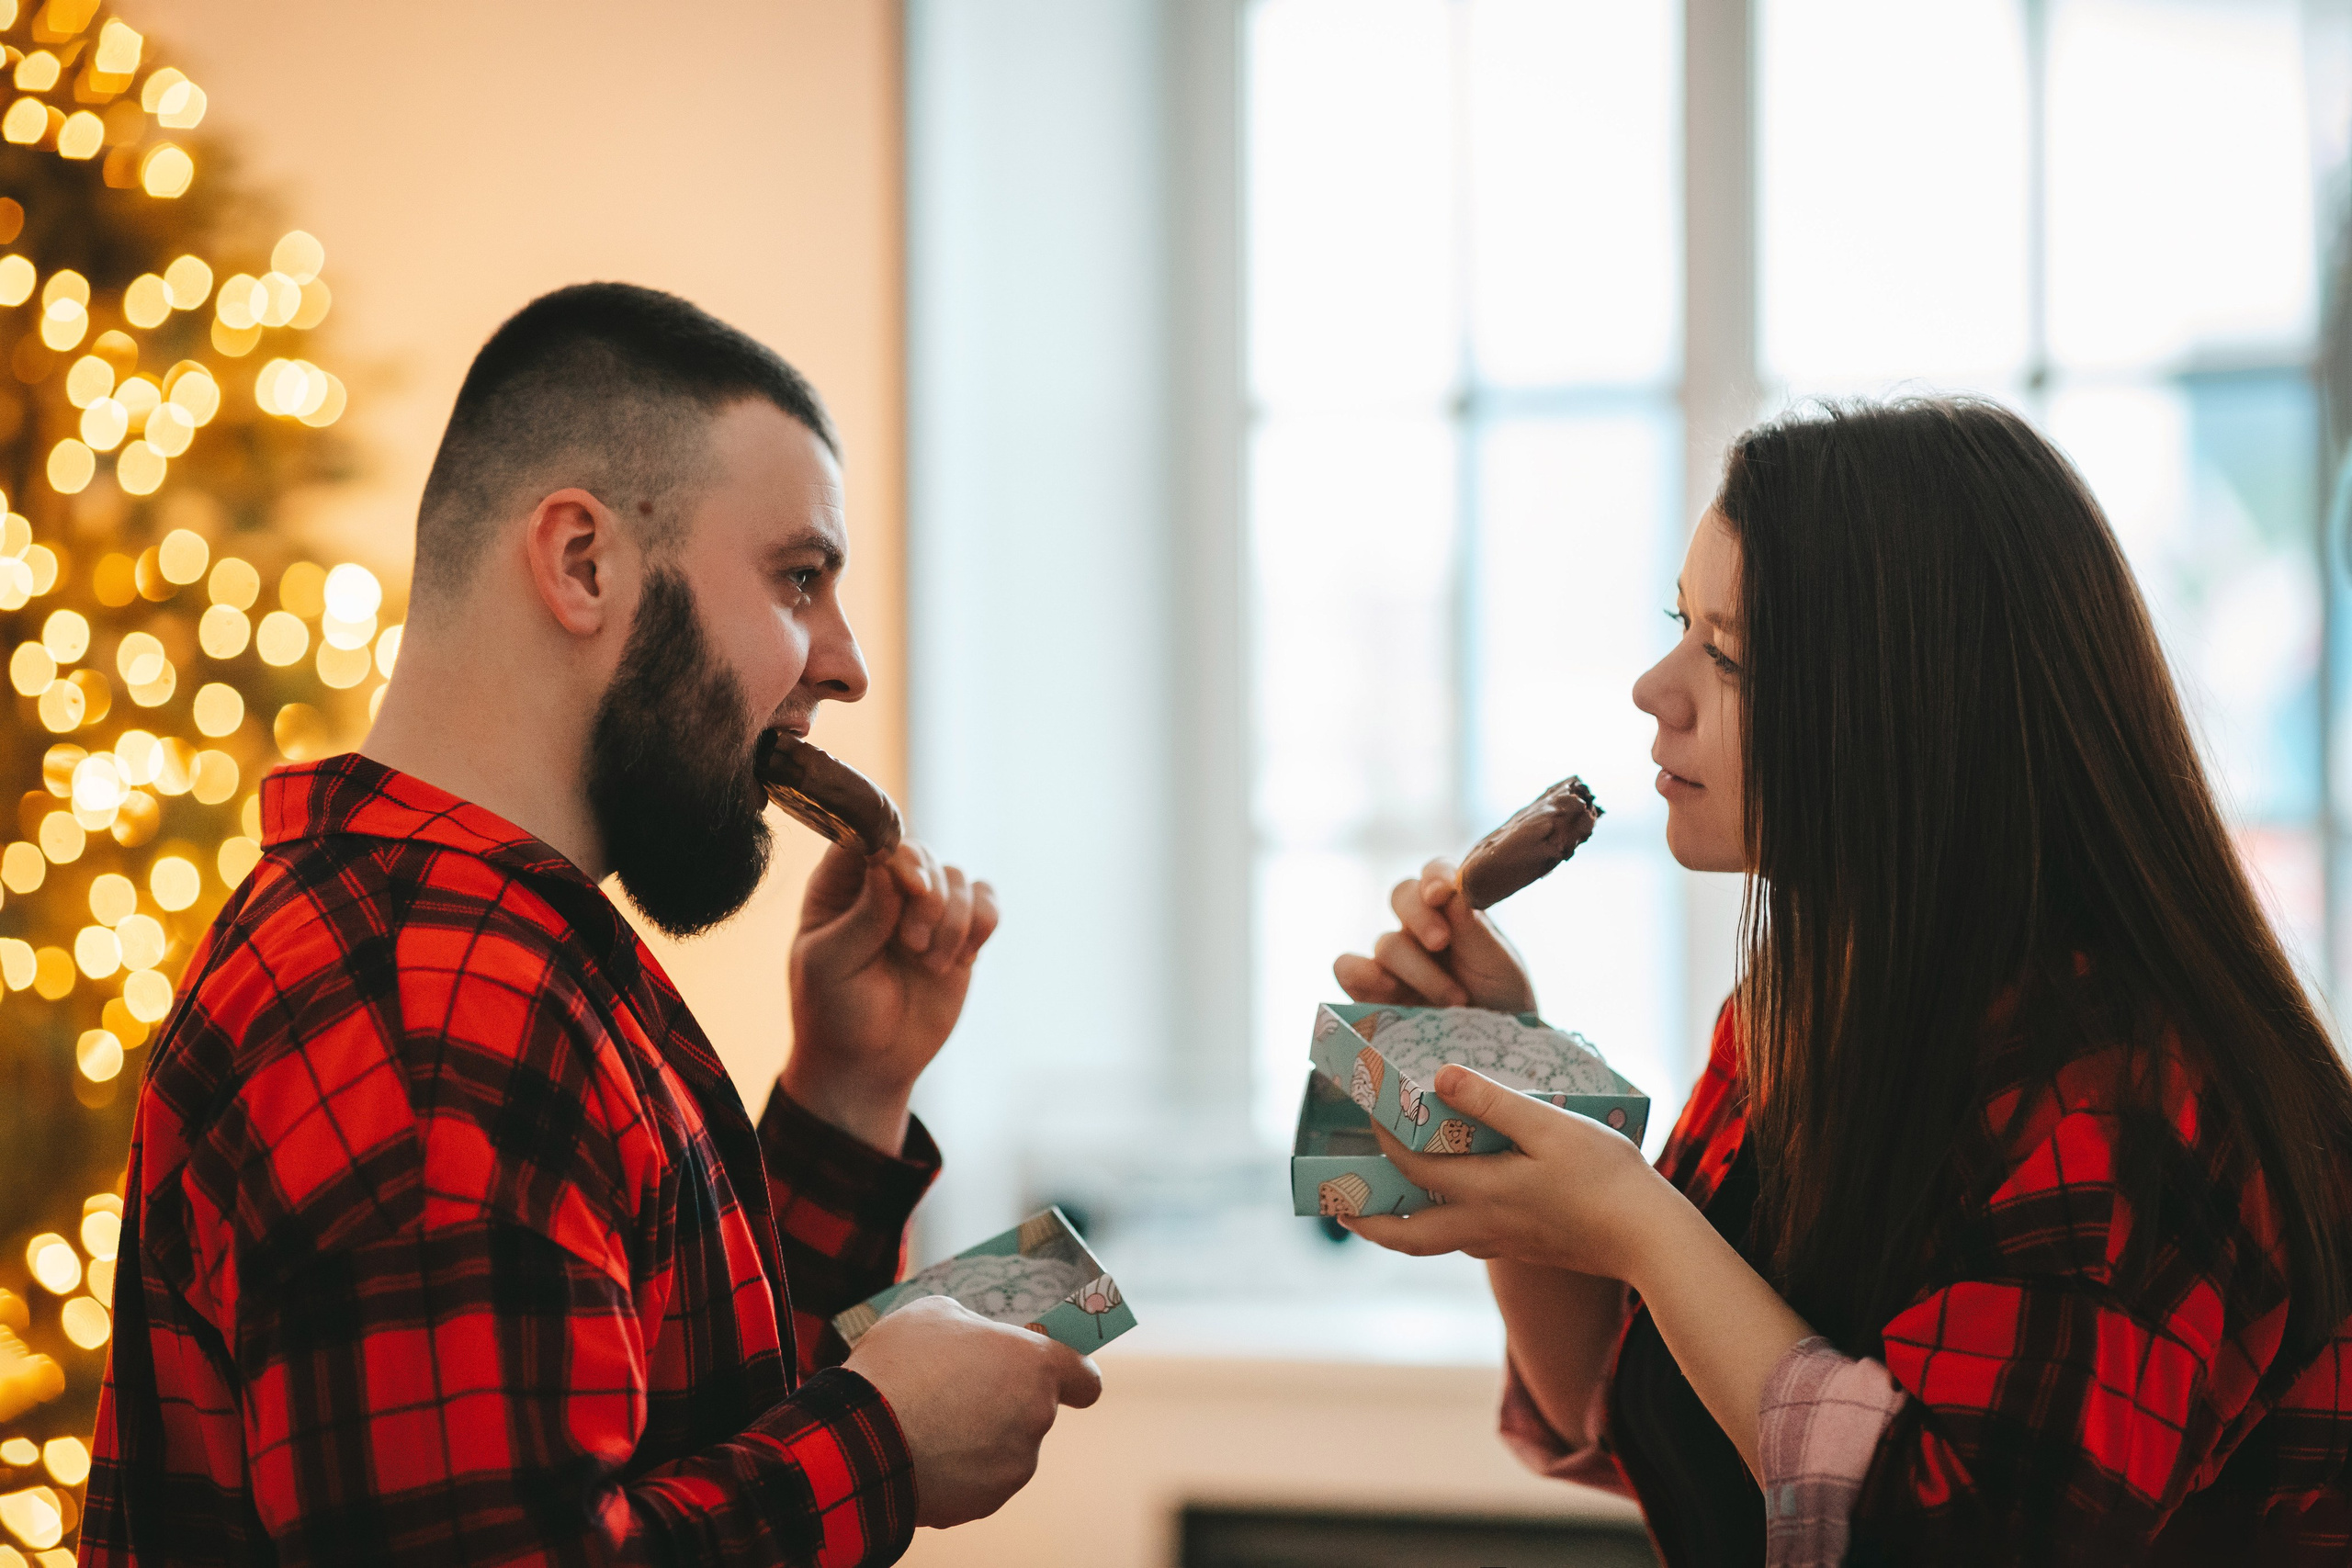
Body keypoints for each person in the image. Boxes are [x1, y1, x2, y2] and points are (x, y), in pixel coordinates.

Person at [79, 284, 1100, 1566]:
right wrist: (879, 1446)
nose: (844, 664)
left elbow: (665, 1424)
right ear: (583, 563)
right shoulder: (435, 1015)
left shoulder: (495, 953)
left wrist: (849, 1087)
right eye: (798, 578)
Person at [1334, 398, 2352, 1565]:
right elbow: (1640, 1420)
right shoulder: (1793, 1018)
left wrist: (1642, 1224)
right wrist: (1509, 1079)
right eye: (1680, 624)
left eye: (1727, 654)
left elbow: (1941, 1539)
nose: (1654, 688)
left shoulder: (2121, 1095)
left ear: (1916, 709)